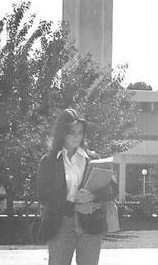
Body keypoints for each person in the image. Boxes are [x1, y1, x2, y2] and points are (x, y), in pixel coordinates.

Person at [37, 108, 118, 265]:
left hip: (90, 225)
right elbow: (44, 196)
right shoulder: (49, 161)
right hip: (60, 225)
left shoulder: (93, 159)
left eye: (80, 132)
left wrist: (93, 196)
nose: (76, 137)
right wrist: (74, 207)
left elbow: (113, 189)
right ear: (61, 132)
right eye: (72, 132)